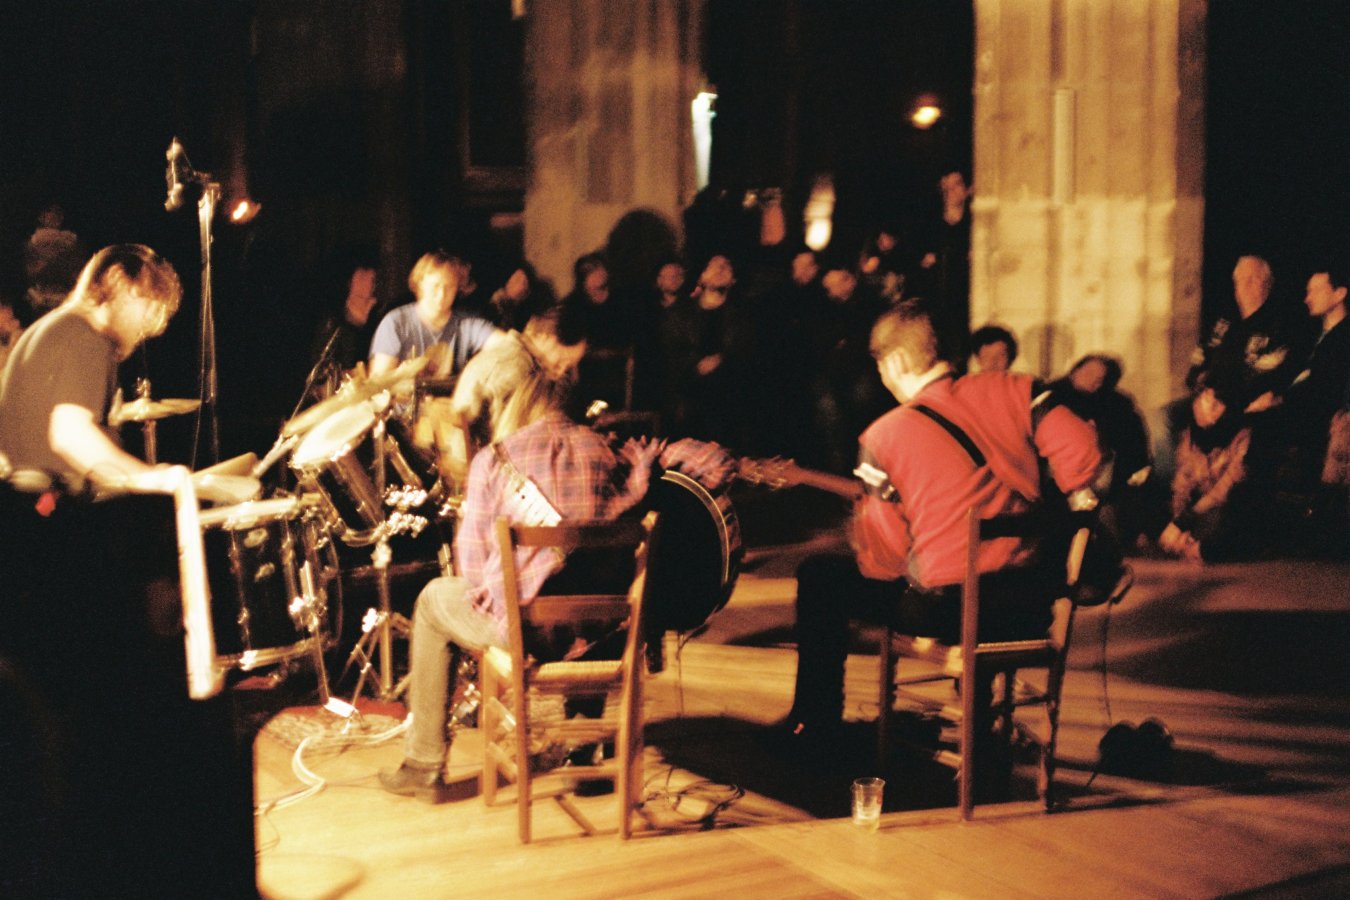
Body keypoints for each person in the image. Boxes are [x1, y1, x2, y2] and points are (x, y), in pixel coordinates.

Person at [378, 362, 734, 802]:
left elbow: (471, 571)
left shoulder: (494, 460)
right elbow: (719, 464)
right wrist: (661, 458)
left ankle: (423, 765)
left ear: (519, 405)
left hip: (526, 632)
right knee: (589, 601)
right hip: (600, 629)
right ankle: (583, 757)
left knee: (434, 600)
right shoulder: (611, 453)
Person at [783, 301, 1100, 755]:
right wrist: (1066, 495)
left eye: (881, 366)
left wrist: (870, 539)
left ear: (896, 361)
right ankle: (981, 719)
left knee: (820, 578)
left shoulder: (883, 437)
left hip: (948, 613)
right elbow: (1083, 449)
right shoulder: (1018, 388)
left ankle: (815, 730)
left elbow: (885, 562)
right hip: (1030, 605)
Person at [0, 244, 182, 491]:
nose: (150, 322)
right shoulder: (86, 336)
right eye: (149, 303)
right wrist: (153, 479)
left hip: (25, 503)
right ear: (117, 279)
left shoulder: (52, 328)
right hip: (57, 506)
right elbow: (71, 436)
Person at [443, 298, 590, 483]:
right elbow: (512, 439)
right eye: (561, 362)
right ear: (545, 337)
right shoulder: (518, 367)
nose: (560, 372)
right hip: (475, 472)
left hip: (471, 461)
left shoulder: (509, 351)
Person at [368, 249, 505, 381]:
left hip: (453, 398)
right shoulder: (395, 323)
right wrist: (402, 374)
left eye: (449, 287)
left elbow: (507, 344)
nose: (441, 295)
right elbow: (379, 382)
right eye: (435, 286)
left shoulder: (467, 324)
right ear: (420, 284)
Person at [307, 247, 381, 395]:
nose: (368, 284)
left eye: (372, 279)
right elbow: (321, 374)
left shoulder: (379, 318)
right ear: (349, 282)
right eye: (361, 278)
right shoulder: (333, 325)